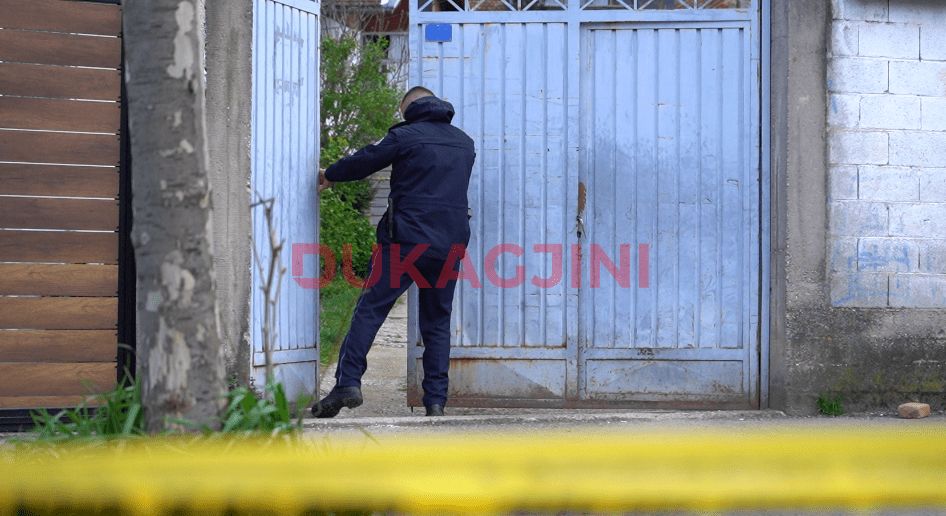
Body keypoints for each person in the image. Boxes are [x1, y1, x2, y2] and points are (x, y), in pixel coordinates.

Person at [313, 86, 475, 418]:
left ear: (409, 108)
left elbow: (364, 161)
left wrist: (330, 174)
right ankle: (435, 403)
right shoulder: (464, 142)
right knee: (436, 323)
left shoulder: (405, 136)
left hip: (405, 244)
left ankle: (348, 382)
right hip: (449, 246)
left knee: (369, 310)